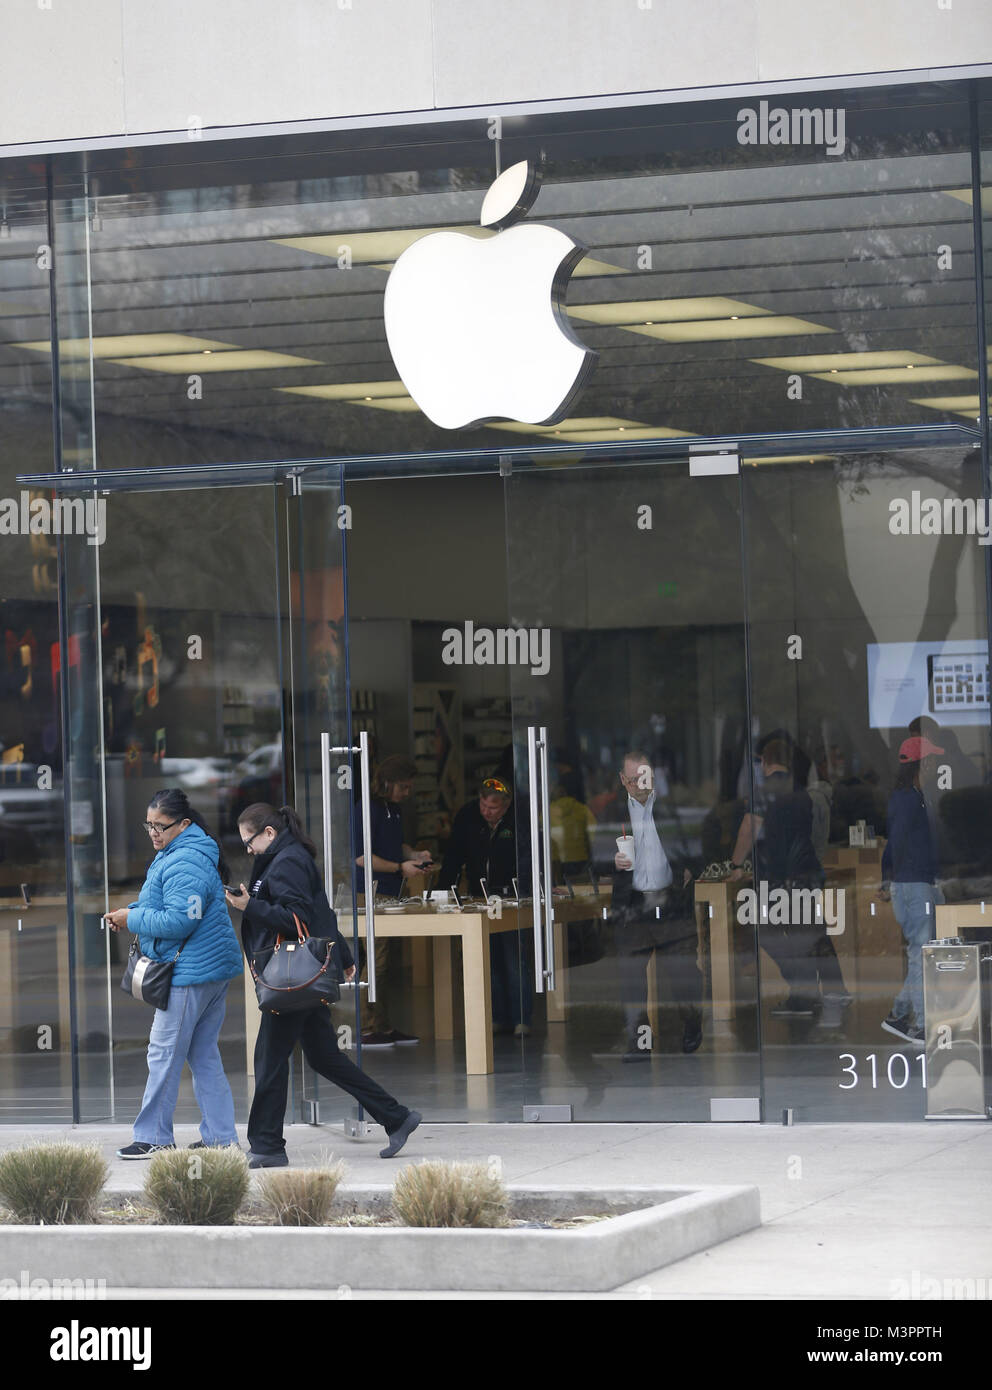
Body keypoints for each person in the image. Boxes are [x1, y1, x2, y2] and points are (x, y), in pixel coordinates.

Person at [228, 802, 421, 1166]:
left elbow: (297, 916)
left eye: (249, 841)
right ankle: (396, 1117)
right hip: (304, 976)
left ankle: (268, 1146)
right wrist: (345, 956)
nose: (248, 849)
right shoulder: (284, 857)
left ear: (268, 833)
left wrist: (248, 906)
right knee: (324, 1057)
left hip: (292, 979)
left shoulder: (286, 861)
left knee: (270, 1058)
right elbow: (321, 911)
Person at [106, 788, 243, 1159]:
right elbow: (170, 905)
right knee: (202, 1055)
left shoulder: (185, 860)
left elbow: (182, 919)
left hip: (190, 974)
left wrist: (131, 917)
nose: (153, 832)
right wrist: (132, 911)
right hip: (207, 970)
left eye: (161, 826)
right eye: (148, 825)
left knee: (163, 1055)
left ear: (184, 824)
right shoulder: (182, 852)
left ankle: (154, 1136)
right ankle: (220, 1136)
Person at [731, 738, 849, 1025]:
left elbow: (750, 827)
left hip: (779, 878)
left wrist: (735, 865)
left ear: (765, 762)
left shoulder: (765, 792)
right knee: (813, 933)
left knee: (764, 931)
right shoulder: (803, 793)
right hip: (806, 873)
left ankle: (802, 994)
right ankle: (834, 989)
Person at [605, 751, 703, 1061]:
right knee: (631, 979)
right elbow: (593, 854)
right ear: (623, 780)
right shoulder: (611, 814)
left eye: (643, 778)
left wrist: (691, 868)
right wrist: (612, 862)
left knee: (684, 974)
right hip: (632, 905)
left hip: (671, 901)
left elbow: (702, 846)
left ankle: (691, 1023)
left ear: (653, 776)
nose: (638, 785)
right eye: (632, 779)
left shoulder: (673, 810)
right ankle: (639, 1042)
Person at [437, 775, 533, 1036]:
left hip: (511, 896)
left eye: (493, 808)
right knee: (488, 962)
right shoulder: (468, 816)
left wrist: (529, 890)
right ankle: (498, 1017)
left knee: (515, 959)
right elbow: (454, 854)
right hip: (478, 896)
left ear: (506, 805)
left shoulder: (519, 819)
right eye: (483, 805)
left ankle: (522, 1018)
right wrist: (443, 889)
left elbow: (529, 856)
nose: (486, 812)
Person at [353, 753, 433, 1047]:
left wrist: (413, 856)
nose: (407, 793)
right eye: (404, 787)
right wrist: (401, 867)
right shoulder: (367, 808)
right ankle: (366, 1026)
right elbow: (362, 856)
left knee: (386, 960)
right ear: (386, 783)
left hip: (390, 891)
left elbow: (392, 845)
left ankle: (382, 1026)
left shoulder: (393, 809)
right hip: (370, 892)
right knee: (377, 960)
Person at [877, 736, 945, 1047]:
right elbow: (898, 842)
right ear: (921, 764)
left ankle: (898, 1014)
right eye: (930, 761)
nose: (933, 766)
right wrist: (892, 879)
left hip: (913, 883)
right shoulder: (908, 800)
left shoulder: (910, 797)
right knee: (920, 956)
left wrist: (888, 878)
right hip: (914, 885)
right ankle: (919, 1024)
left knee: (920, 955)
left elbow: (894, 843)